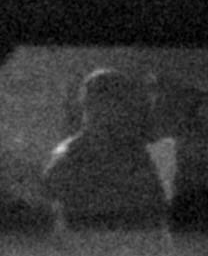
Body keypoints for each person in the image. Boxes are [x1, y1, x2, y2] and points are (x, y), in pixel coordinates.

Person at [43, 69, 174, 236]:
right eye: (98, 104)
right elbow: (51, 204)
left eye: (116, 104)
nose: (109, 113)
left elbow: (154, 209)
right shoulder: (68, 155)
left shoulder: (135, 152)